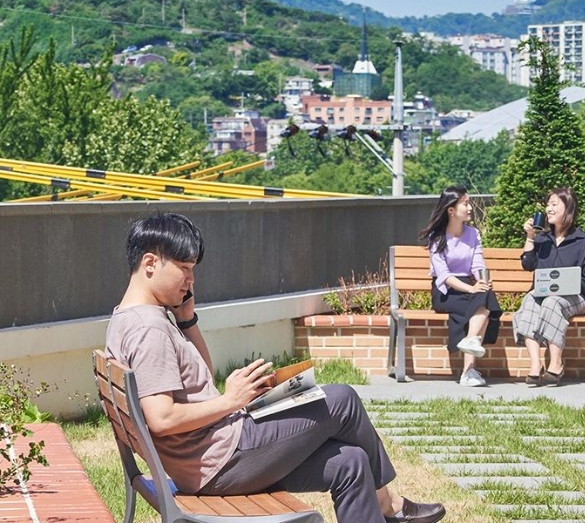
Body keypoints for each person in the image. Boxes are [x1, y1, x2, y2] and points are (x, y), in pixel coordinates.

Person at [105, 212, 446, 523]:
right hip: (219, 461)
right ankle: (389, 505)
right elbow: (161, 419)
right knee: (342, 399)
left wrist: (187, 320)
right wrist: (230, 401)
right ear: (151, 263)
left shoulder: (136, 317)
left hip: (213, 451)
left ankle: (383, 503)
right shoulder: (148, 329)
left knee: (350, 461)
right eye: (185, 267)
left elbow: (202, 379)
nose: (191, 279)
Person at [513, 187, 585, 387]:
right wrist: (530, 237)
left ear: (568, 209)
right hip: (543, 295)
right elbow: (528, 265)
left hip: (576, 298)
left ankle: (556, 363)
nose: (548, 209)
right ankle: (535, 366)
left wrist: (563, 285)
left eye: (554, 205)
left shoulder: (582, 242)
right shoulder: (542, 239)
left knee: (552, 302)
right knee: (530, 301)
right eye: (547, 204)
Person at [420, 186, 501, 387]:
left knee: (485, 295)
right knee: (481, 302)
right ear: (451, 210)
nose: (470, 207)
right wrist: (471, 289)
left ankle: (470, 343)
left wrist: (481, 280)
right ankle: (469, 371)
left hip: (467, 284)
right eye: (465, 203)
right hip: (445, 291)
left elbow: (477, 263)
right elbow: (444, 275)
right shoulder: (436, 238)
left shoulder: (472, 234)